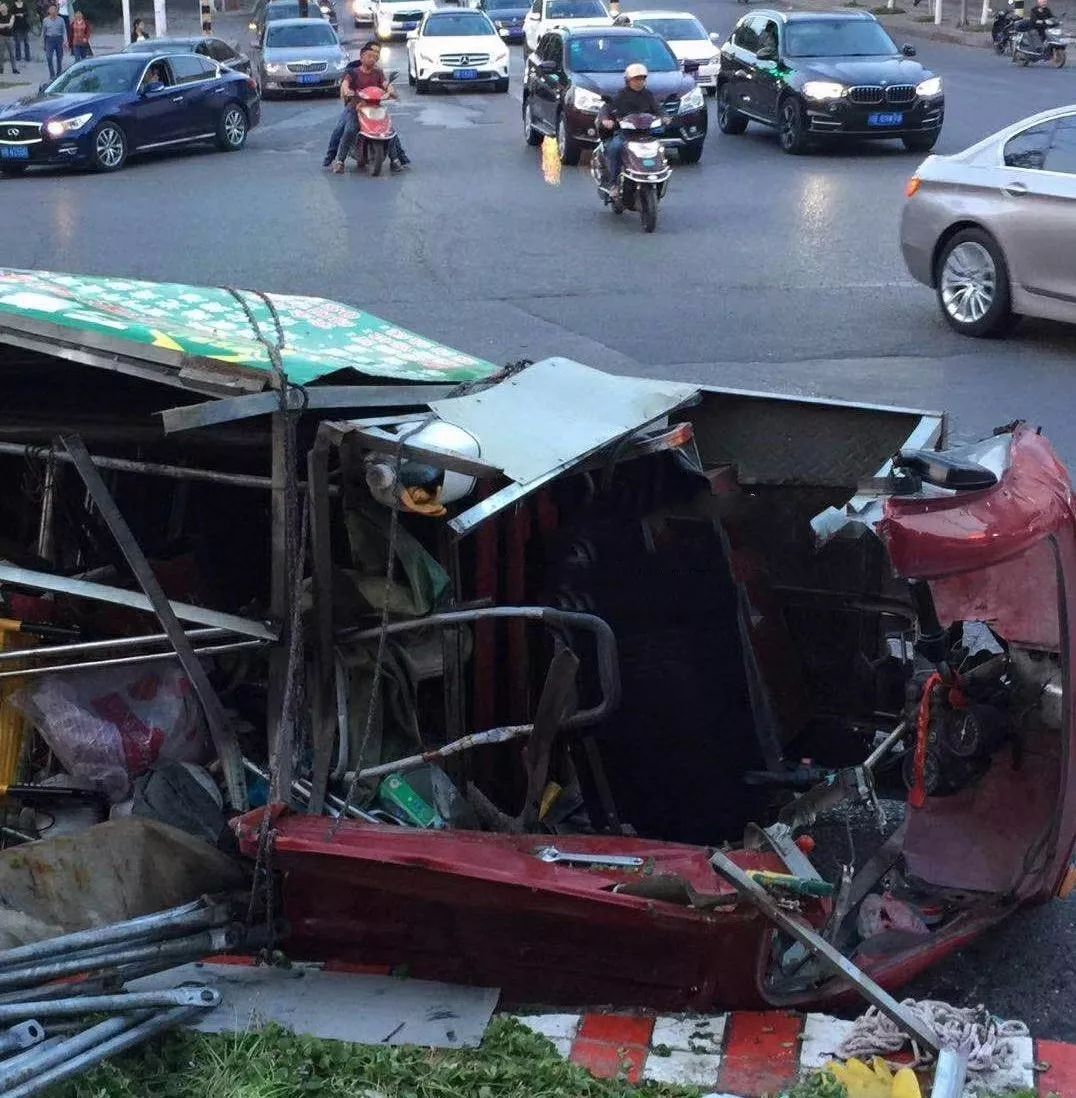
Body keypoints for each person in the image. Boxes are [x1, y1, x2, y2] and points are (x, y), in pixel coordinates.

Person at [329, 41, 410, 173]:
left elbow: (385, 84)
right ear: (361, 58)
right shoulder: (353, 72)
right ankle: (339, 161)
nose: (373, 59)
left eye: (375, 56)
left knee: (389, 131)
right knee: (349, 129)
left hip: (375, 109)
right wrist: (347, 91)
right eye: (370, 56)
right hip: (356, 108)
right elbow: (345, 83)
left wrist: (391, 91)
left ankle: (395, 160)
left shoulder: (378, 73)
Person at [598, 63, 663, 192]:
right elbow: (607, 108)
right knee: (614, 149)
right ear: (628, 80)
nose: (639, 82)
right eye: (636, 79)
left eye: (642, 79)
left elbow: (658, 109)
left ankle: (657, 175)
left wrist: (665, 117)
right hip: (625, 135)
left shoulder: (648, 95)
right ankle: (613, 183)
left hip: (645, 135)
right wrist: (606, 120)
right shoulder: (620, 95)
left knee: (659, 150)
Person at [41, 0, 63, 76]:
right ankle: (52, 74)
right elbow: (43, 32)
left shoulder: (61, 19)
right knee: (49, 57)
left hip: (58, 39)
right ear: (49, 11)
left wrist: (65, 41)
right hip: (49, 39)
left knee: (59, 58)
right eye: (51, 10)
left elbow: (64, 31)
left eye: (55, 9)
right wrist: (43, 43)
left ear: (57, 11)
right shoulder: (45, 20)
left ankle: (59, 73)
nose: (53, 11)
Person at [0, 3, 18, 74]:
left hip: (9, 36)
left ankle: (14, 68)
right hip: (1, 36)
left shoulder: (11, 15)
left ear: (7, 8)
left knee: (12, 54)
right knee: (1, 54)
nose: (2, 8)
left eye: (3, 7)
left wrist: (3, 25)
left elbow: (11, 25)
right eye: (1, 7)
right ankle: (1, 68)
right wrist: (6, 25)